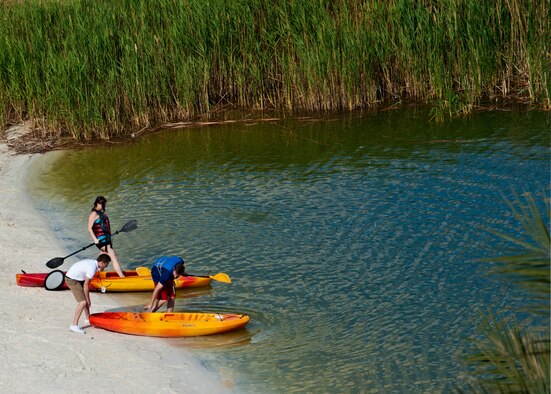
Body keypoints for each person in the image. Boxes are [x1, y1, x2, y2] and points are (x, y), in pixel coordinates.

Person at [65, 254, 111, 334]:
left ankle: (88, 318)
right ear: (103, 263)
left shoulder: (93, 263)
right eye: (106, 265)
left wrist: (87, 299)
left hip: (77, 278)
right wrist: (88, 300)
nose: (106, 267)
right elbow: (86, 285)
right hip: (72, 280)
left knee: (85, 300)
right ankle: (74, 325)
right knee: (83, 302)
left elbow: (85, 285)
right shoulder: (92, 268)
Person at [87, 196, 124, 277]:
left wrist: (110, 239)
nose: (102, 206)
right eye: (101, 204)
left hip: (106, 239)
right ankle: (122, 277)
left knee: (102, 259)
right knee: (113, 257)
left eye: (103, 204)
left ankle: (97, 275)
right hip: (100, 240)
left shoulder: (102, 213)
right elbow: (89, 229)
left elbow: (106, 227)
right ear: (97, 203)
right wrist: (95, 239)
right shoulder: (94, 214)